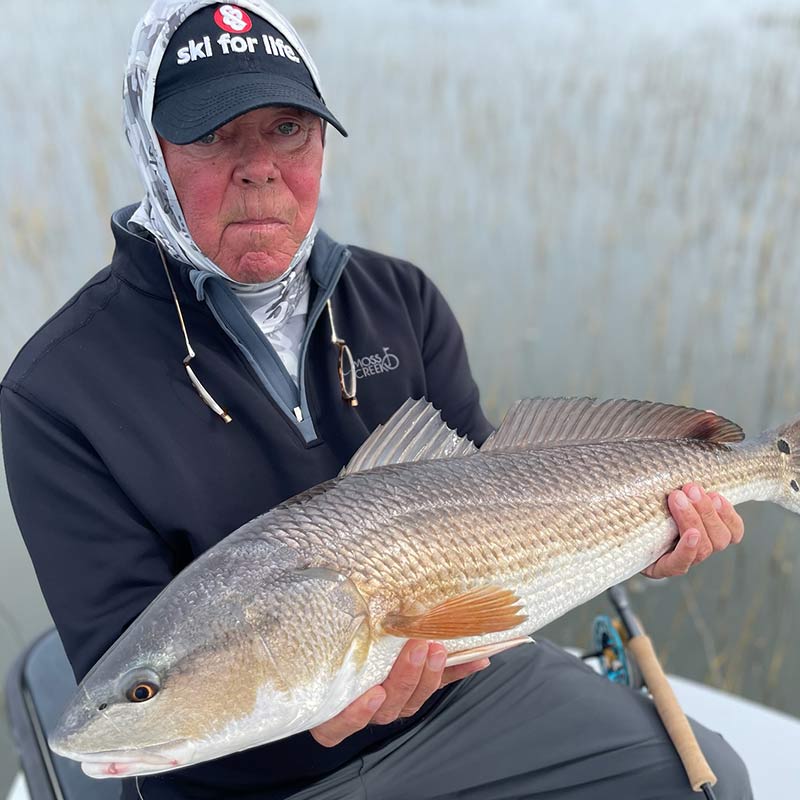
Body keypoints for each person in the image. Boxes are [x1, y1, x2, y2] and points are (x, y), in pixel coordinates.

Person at [1, 2, 751, 798]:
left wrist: (648, 531)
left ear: (322, 144)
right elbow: (125, 659)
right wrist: (320, 704)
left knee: (710, 778)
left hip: (461, 691)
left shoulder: (398, 295)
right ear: (151, 151)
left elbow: (505, 494)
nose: (258, 167)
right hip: (250, 775)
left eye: (287, 128)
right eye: (212, 134)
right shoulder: (56, 392)